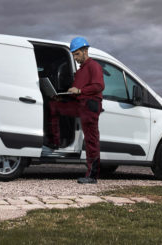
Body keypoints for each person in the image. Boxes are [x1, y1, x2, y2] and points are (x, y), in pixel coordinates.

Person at [47, 37, 105, 184]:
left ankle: (92, 176)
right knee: (54, 106)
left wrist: (79, 90)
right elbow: (77, 93)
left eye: (77, 54)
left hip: (90, 105)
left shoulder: (94, 66)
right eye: (73, 54)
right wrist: (63, 98)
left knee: (91, 140)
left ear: (85, 51)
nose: (75, 57)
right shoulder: (80, 71)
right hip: (80, 104)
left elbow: (99, 86)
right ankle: (55, 142)